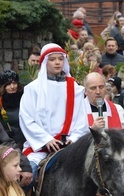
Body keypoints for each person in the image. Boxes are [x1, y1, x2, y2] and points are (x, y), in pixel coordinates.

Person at [19, 43, 89, 184]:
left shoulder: (75, 88)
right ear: (45, 62)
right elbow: (26, 119)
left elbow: (82, 119)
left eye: (60, 59)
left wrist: (74, 138)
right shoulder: (33, 89)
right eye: (52, 59)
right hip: (40, 148)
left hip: (69, 146)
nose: (57, 62)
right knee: (27, 176)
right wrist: (47, 140)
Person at [0, 70, 26, 148]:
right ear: (3, 87)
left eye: (14, 83)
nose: (12, 87)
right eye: (8, 84)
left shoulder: (25, 98)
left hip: (27, 139)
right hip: (10, 143)